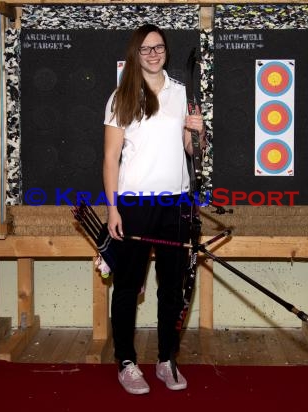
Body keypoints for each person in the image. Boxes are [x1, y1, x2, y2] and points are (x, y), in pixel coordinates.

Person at [103, 24, 205, 395]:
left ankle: (166, 359)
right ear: (136, 53)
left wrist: (199, 132)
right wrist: (113, 210)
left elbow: (194, 153)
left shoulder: (181, 94)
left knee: (172, 289)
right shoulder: (121, 97)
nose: (152, 53)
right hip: (133, 205)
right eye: (145, 48)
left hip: (175, 204)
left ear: (166, 51)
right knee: (127, 286)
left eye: (158, 47)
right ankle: (127, 362)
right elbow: (111, 159)